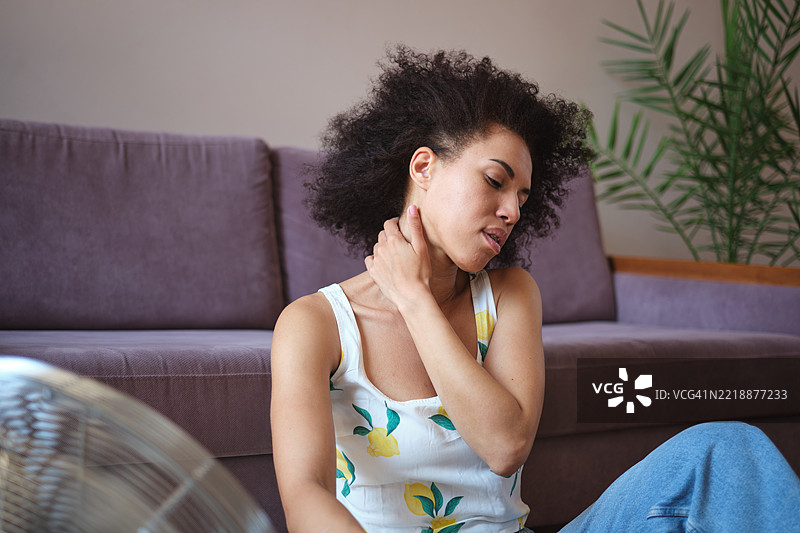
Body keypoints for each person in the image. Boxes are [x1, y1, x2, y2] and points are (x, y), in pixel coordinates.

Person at [270, 46, 800, 533]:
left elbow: (505, 445)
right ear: (424, 167)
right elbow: (304, 494)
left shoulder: (508, 295)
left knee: (728, 450)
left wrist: (414, 300)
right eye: (495, 181)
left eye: (523, 197)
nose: (512, 211)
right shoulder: (315, 325)